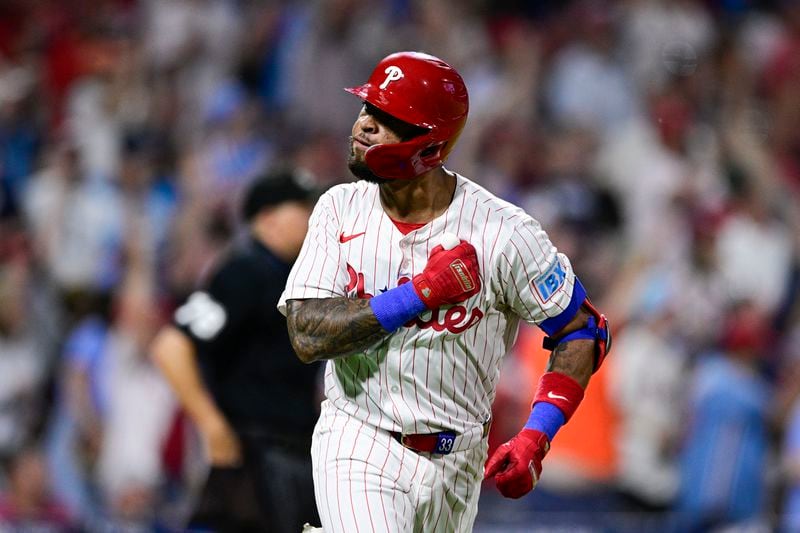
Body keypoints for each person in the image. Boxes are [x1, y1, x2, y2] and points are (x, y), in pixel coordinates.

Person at [280, 51, 611, 532]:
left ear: (429, 147)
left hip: (458, 462)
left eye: (386, 118)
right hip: (360, 437)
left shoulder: (502, 233)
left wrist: (537, 435)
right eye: (367, 108)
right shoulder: (339, 209)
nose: (364, 125)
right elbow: (306, 336)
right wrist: (417, 295)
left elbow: (583, 331)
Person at [151, 169, 322, 532]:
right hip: (256, 463)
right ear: (267, 218)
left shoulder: (293, 279)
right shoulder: (244, 272)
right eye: (302, 207)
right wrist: (212, 425)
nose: (313, 217)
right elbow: (171, 346)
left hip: (292, 460)